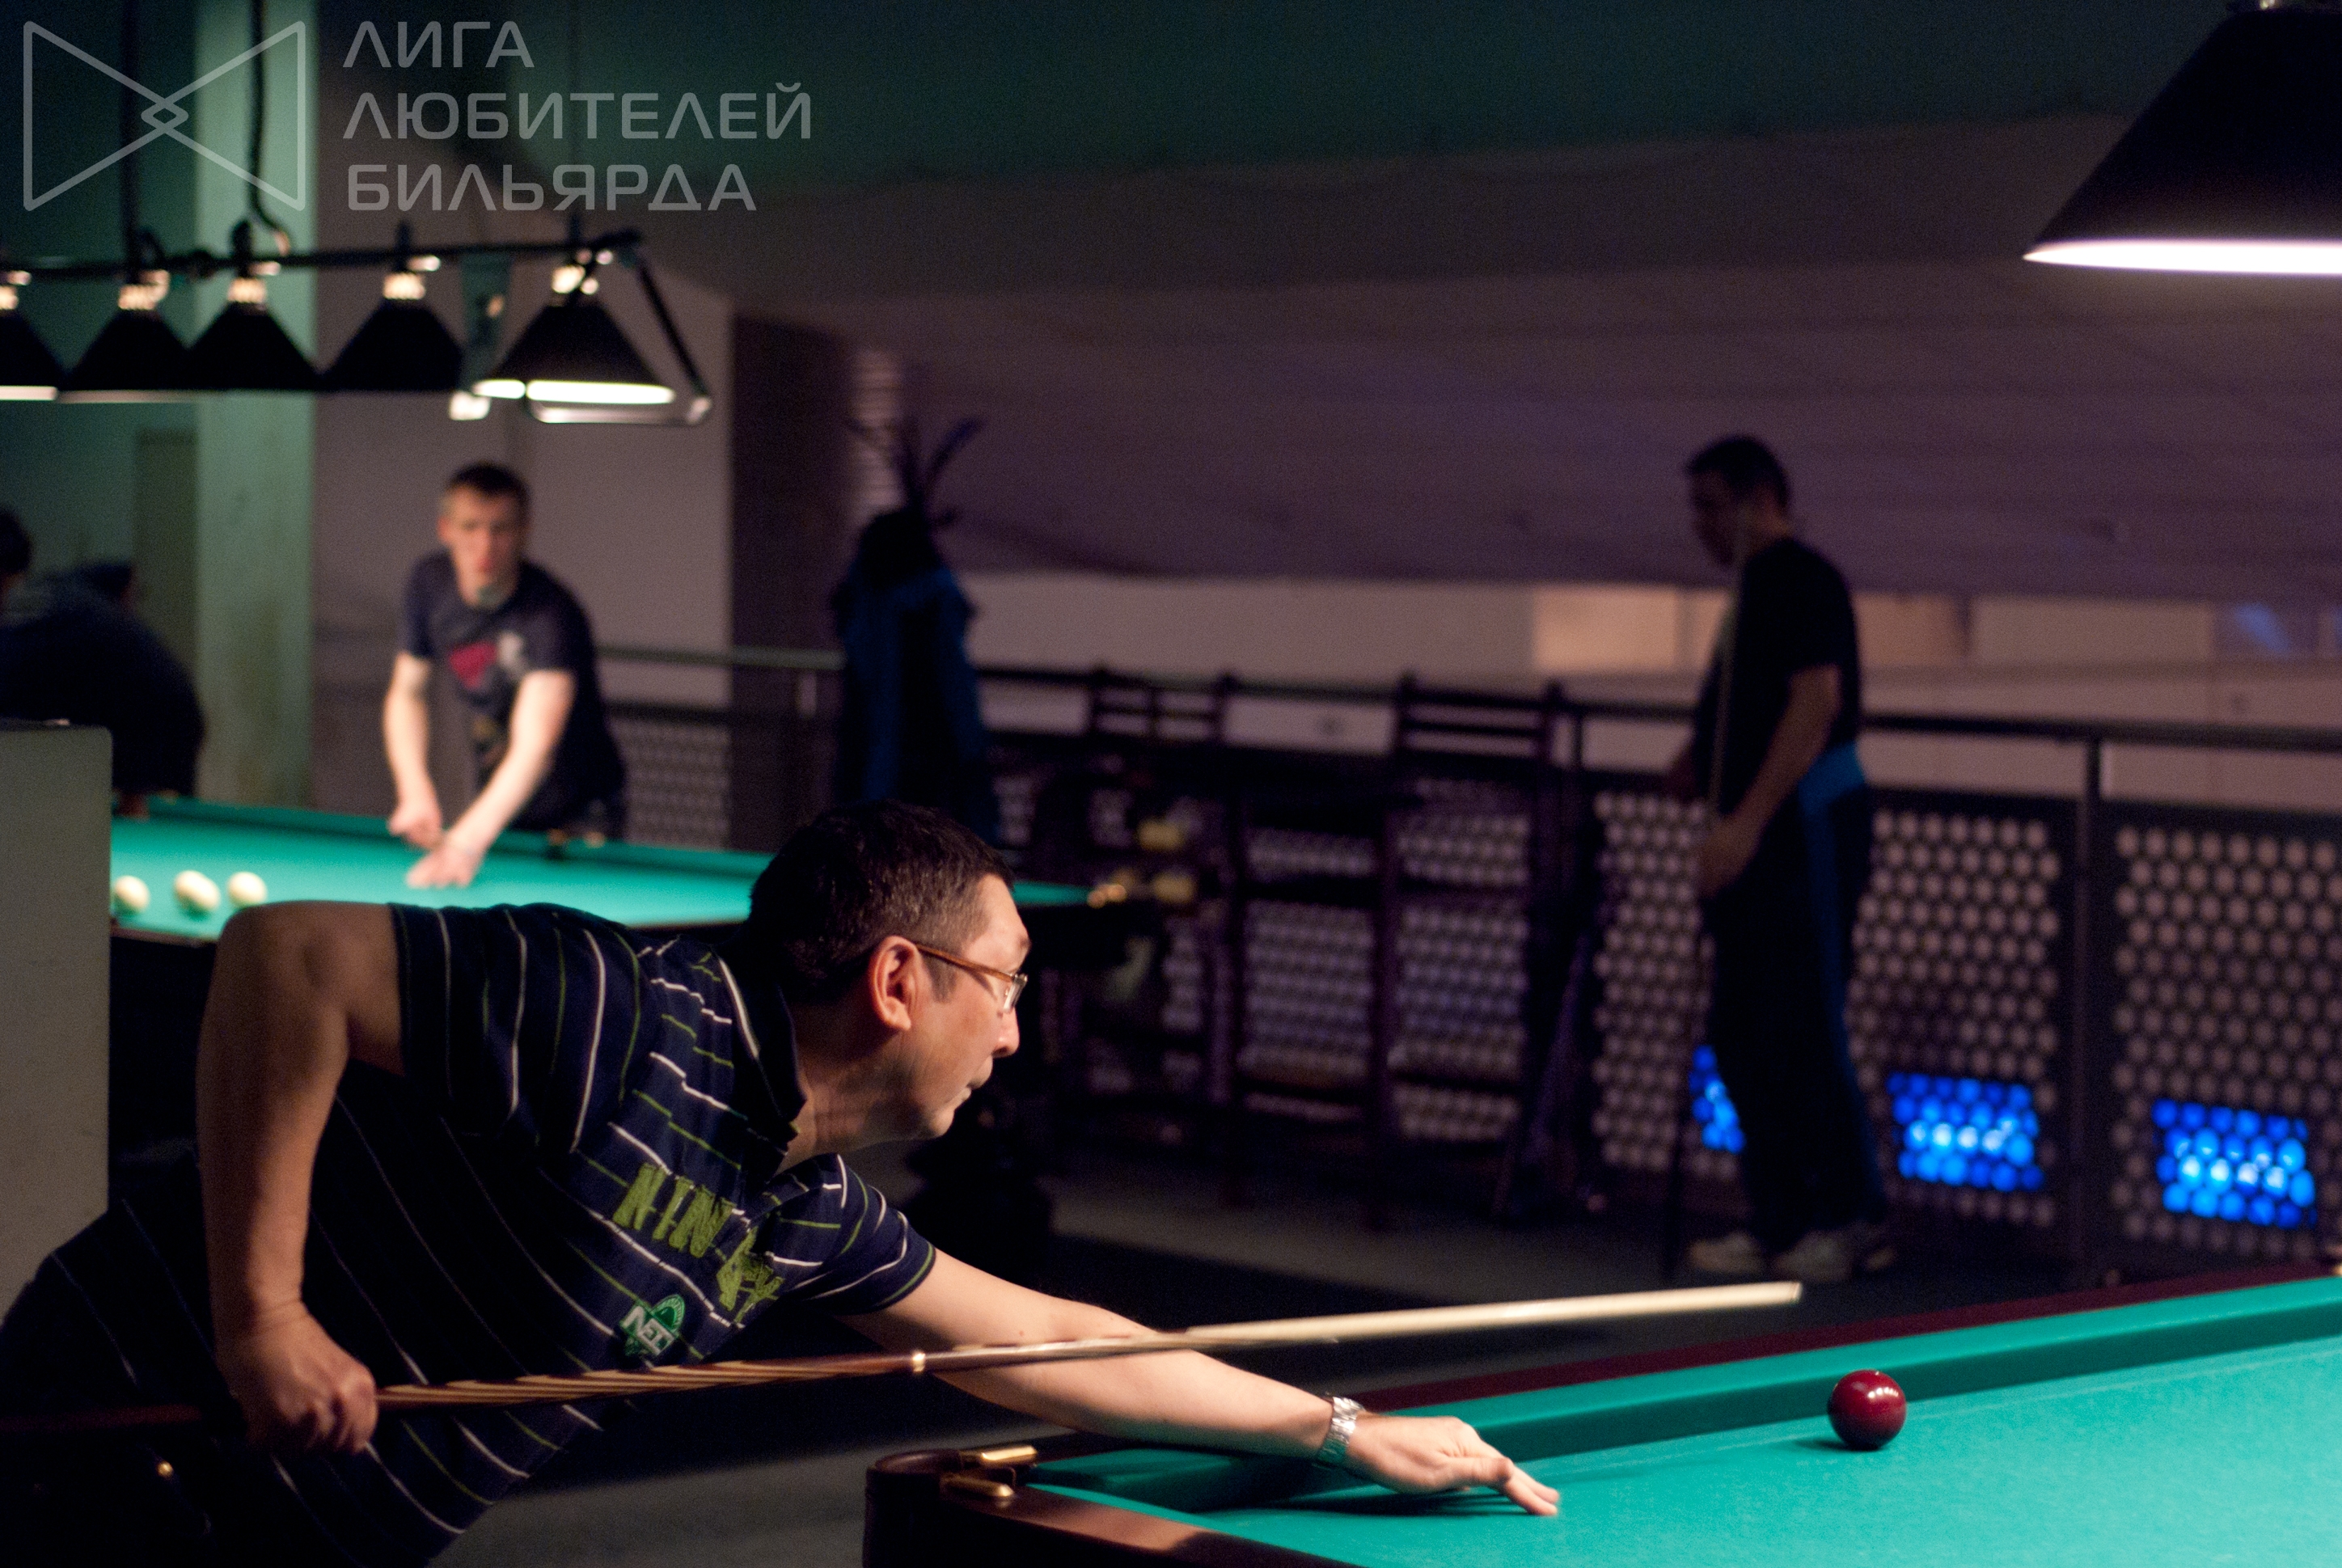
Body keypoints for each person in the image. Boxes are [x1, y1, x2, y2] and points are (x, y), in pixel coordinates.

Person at [0, 801, 1554, 1563]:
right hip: (107, 1449)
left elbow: (1049, 1339)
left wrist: (1341, 1425)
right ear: (899, 975)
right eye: (1006, 982)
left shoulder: (793, 1200)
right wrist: (264, 1314)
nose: (1016, 1029)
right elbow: (289, 956)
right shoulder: (626, 1012)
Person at [1663, 436, 1889, 1287]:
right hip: (1760, 830)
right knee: (1742, 1026)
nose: (1699, 525)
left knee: (1803, 1021)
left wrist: (1746, 822)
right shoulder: (1751, 588)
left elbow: (1813, 704)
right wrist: (1699, 761)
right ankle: (1780, 1212)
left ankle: (1851, 1214)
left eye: (1711, 506)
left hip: (1804, 829)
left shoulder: (1802, 579)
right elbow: (1750, 702)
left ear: (1760, 501)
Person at [383, 463, 626, 890]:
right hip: (504, 803)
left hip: (579, 813)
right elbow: (407, 692)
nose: (485, 545)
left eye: (500, 529)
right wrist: (414, 790)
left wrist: (467, 840)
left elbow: (535, 746)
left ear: (524, 531)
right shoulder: (429, 584)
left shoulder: (551, 613)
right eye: (470, 526)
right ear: (445, 529)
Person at [0, 514, 205, 805]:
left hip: (157, 724)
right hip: (158, 713)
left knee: (146, 818)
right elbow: (123, 575)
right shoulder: (54, 587)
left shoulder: (21, 614)